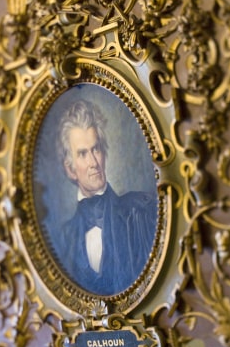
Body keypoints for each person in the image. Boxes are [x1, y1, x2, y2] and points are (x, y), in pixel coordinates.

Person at [56, 98, 157, 296]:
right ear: (70, 170)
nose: (94, 162)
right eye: (83, 154)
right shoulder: (65, 239)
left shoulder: (141, 212)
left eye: (96, 149)